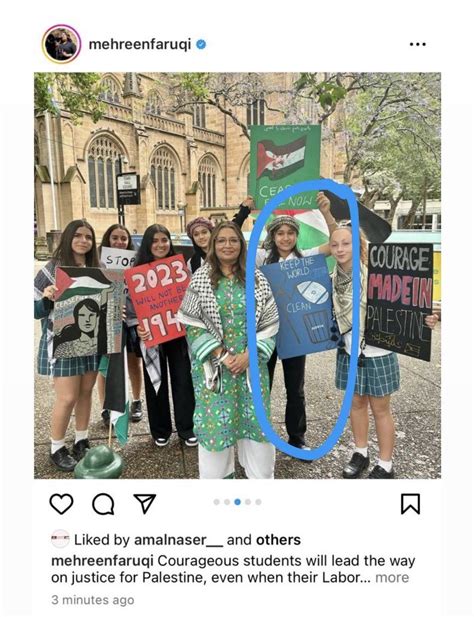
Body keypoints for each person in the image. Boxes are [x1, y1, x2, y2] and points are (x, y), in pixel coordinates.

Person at [329, 224, 439, 479]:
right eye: (335, 244)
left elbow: (408, 300)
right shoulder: (332, 279)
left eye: (346, 243)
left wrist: (426, 318)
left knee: (381, 408)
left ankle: (386, 464)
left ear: (358, 245)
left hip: (379, 350)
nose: (340, 249)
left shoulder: (380, 274)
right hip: (349, 351)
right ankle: (360, 453)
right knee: (355, 404)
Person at [178, 222, 279, 479]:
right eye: (221, 240)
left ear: (241, 245)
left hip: (251, 367)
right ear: (213, 245)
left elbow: (270, 321)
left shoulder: (256, 278)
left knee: (257, 425)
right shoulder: (200, 278)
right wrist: (222, 355)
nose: (227, 245)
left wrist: (250, 356)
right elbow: (192, 324)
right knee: (216, 430)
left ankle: (260, 483)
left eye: (233, 240)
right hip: (215, 372)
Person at [255, 193, 338, 450]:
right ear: (272, 236)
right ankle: (259, 433)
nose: (285, 238)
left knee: (296, 389)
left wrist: (326, 212)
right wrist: (247, 212)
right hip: (266, 332)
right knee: (261, 387)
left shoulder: (307, 257)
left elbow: (336, 243)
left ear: (296, 236)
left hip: (296, 334)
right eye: (280, 233)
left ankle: (297, 437)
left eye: (290, 233)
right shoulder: (259, 258)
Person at [34, 220, 101, 471]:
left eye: (89, 237)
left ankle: (81, 440)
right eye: (79, 235)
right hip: (63, 339)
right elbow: (33, 309)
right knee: (68, 397)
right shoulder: (51, 270)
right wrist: (46, 298)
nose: (84, 240)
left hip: (93, 340)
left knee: (86, 392)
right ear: (69, 237)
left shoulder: (97, 268)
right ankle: (56, 447)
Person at [130, 224, 197, 447]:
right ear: (148, 244)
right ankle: (160, 429)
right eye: (155, 241)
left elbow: (191, 298)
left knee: (183, 379)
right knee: (154, 381)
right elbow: (130, 307)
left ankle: (187, 427)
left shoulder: (179, 267)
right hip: (152, 334)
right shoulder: (137, 270)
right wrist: (136, 325)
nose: (160, 245)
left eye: (164, 240)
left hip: (178, 332)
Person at [98, 224, 143, 425]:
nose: (119, 242)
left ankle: (136, 400)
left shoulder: (136, 262)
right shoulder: (99, 262)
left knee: (134, 362)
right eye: (115, 238)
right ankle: (105, 407)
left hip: (132, 319)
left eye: (123, 238)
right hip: (108, 320)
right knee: (105, 366)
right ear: (108, 239)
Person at [185, 196, 254, 273]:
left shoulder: (225, 253)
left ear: (212, 233)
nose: (201, 237)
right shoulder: (192, 262)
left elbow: (232, 227)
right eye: (196, 234)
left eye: (204, 232)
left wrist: (244, 209)